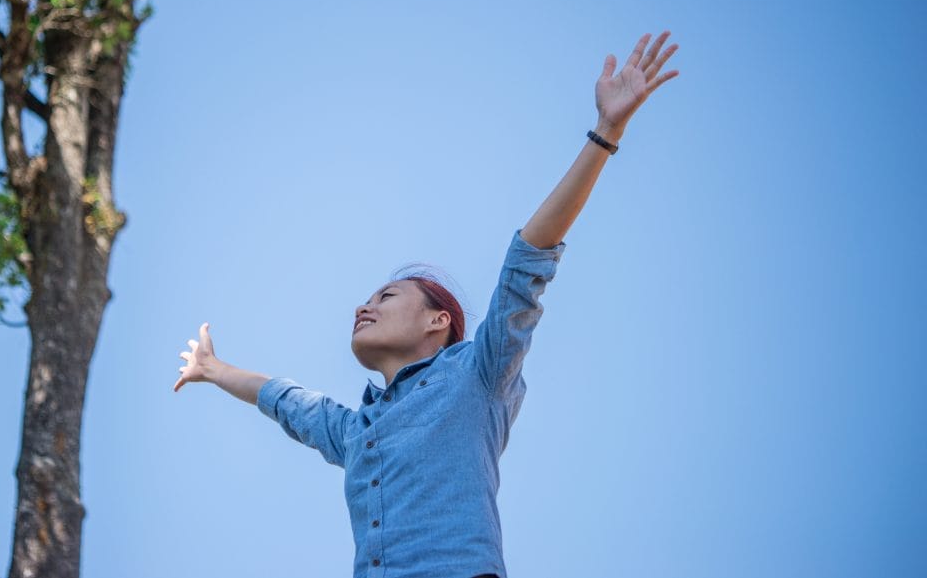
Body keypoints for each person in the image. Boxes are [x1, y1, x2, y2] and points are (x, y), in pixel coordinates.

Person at [173, 32, 681, 578]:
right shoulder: (356, 430)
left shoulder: (477, 373)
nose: (363, 307)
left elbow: (528, 260)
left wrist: (605, 132)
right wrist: (214, 368)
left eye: (386, 297)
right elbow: (286, 401)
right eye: (366, 299)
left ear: (438, 322)